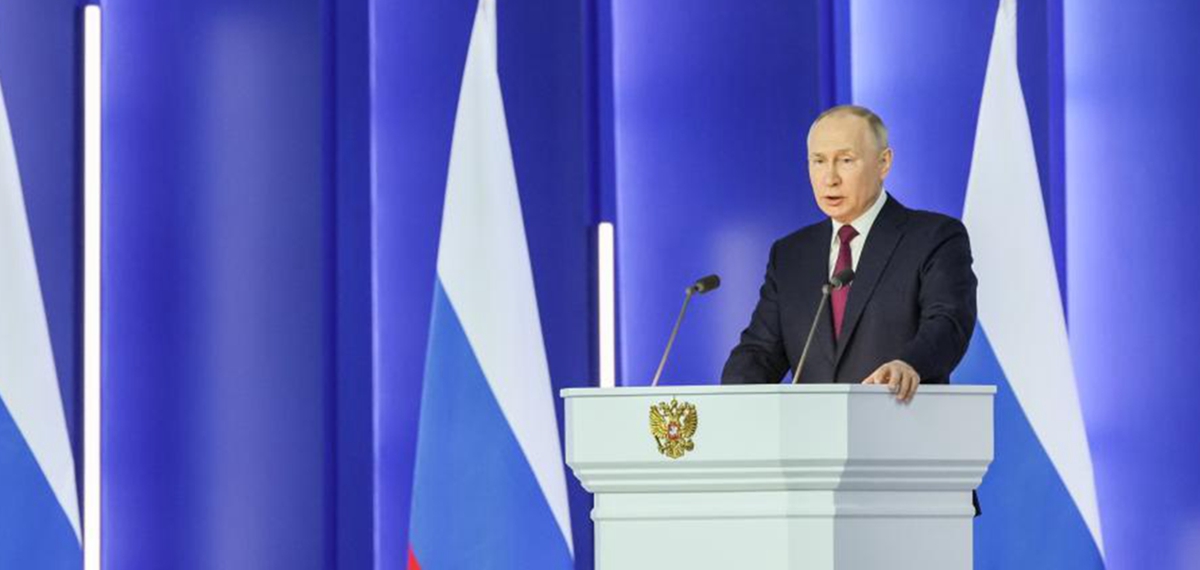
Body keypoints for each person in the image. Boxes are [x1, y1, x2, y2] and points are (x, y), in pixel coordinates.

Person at [721, 105, 977, 403]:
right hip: (813, 428)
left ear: (883, 163)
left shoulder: (933, 237)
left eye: (846, 160)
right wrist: (730, 397)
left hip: (899, 419)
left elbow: (948, 323)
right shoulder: (790, 254)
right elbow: (761, 350)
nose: (830, 178)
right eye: (819, 161)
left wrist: (908, 364)